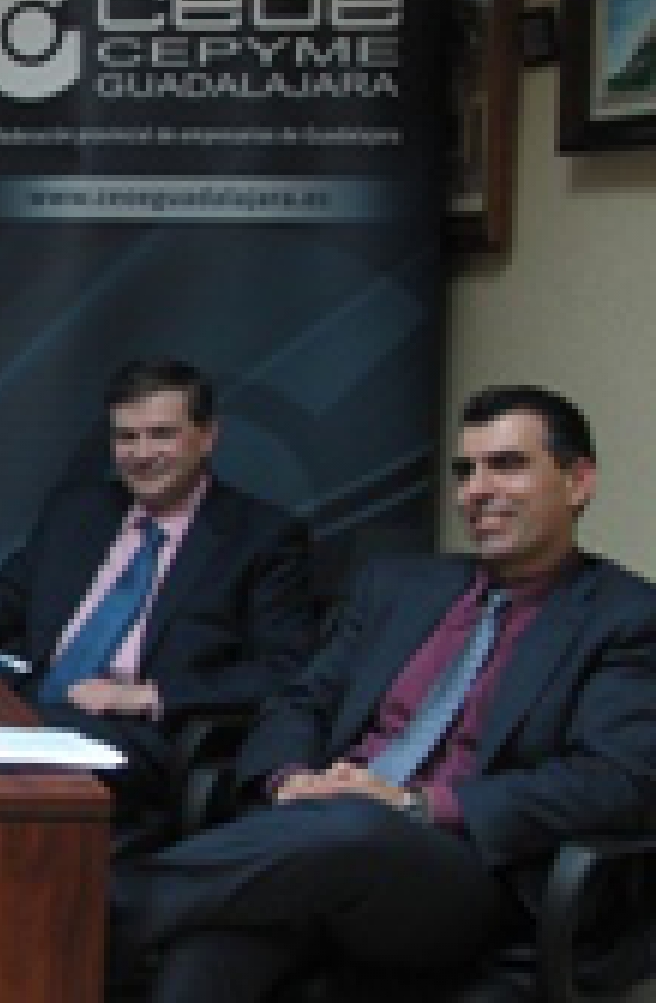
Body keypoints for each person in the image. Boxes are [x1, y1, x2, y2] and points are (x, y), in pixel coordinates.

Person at [114, 386, 656, 1001]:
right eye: (465, 471)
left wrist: (415, 804)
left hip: (467, 873)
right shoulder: (398, 586)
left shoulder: (625, 616)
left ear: (578, 481)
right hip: (316, 839)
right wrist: (290, 779)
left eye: (506, 465)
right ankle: (96, 920)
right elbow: (301, 701)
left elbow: (612, 781)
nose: (477, 490)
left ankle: (99, 907)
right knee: (207, 954)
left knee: (354, 825)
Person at [0, 359, 319, 844]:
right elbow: (11, 592)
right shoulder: (79, 511)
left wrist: (150, 695)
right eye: (126, 437)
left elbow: (286, 669)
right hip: (31, 708)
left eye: (161, 435)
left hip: (136, 735)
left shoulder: (260, 537)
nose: (142, 454)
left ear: (207, 437)